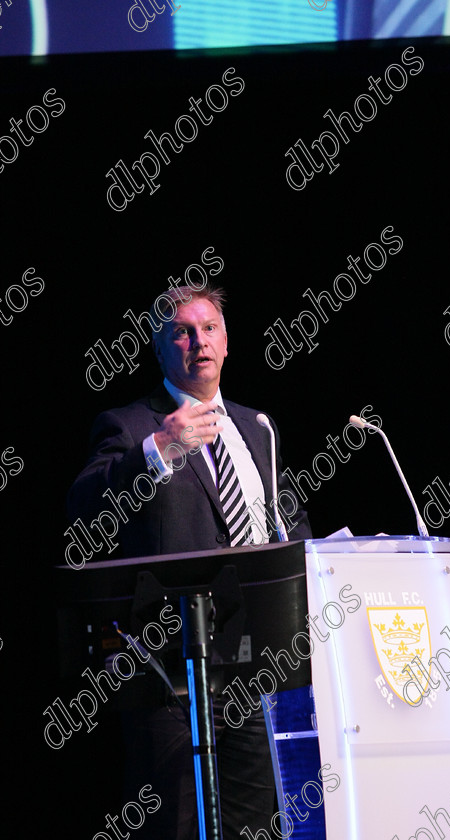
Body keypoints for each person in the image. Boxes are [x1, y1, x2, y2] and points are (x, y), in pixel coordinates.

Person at [67, 283, 312, 840]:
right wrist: (156, 449)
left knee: (256, 825)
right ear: (159, 348)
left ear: (226, 344)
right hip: (170, 676)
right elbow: (83, 508)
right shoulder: (130, 426)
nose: (198, 341)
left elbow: (290, 525)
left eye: (209, 329)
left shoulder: (257, 427)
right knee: (177, 824)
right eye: (181, 331)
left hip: (259, 668)